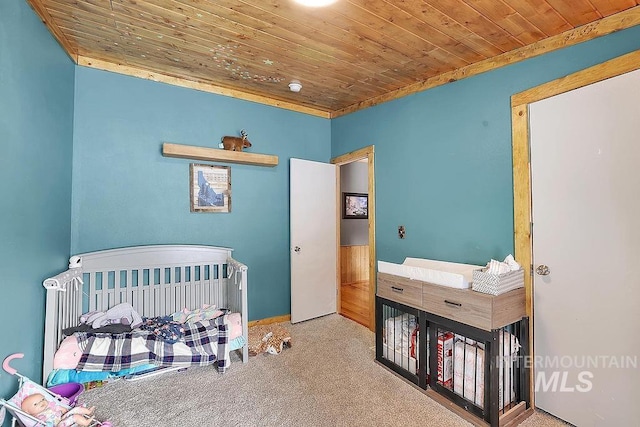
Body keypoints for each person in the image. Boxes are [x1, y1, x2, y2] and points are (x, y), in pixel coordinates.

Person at [20, 393, 95, 426]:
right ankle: (85, 423)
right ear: (28, 412)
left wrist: (62, 409)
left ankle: (87, 412)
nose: (41, 402)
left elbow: (58, 408)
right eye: (36, 404)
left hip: (63, 417)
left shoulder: (50, 407)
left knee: (75, 409)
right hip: (59, 425)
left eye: (42, 399)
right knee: (74, 417)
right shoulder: (37, 418)